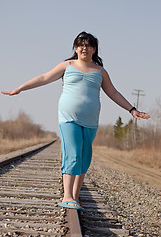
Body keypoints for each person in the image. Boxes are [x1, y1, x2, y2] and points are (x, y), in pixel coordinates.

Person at [1, 31, 150, 211]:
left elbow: (113, 93)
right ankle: (67, 196)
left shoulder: (100, 71)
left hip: (91, 120)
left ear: (94, 49)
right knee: (72, 153)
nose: (84, 48)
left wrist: (132, 110)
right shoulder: (67, 65)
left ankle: (75, 197)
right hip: (68, 117)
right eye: (80, 45)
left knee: (84, 157)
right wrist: (20, 88)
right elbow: (44, 77)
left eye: (88, 45)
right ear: (75, 48)